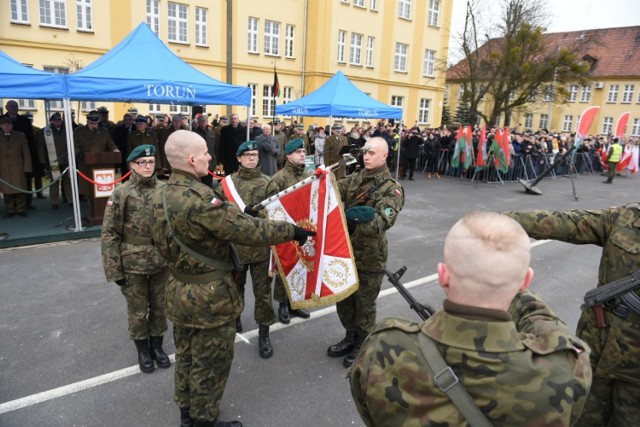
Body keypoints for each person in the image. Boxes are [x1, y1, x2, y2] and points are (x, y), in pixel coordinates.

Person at [349, 211, 592, 426]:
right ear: (526, 282)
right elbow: (549, 328)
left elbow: (369, 411)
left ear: (443, 275)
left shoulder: (382, 348)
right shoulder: (567, 366)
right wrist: (509, 279)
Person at [149, 130, 314, 427]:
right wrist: (294, 231)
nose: (210, 156)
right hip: (209, 296)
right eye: (205, 153)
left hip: (178, 289)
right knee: (210, 361)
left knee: (186, 355)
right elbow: (249, 231)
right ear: (191, 159)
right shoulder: (199, 199)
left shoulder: (159, 193)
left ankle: (187, 414)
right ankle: (204, 419)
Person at [504, 205, 640, 426]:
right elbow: (566, 222)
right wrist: (505, 219)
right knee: (580, 415)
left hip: (636, 367)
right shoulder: (625, 217)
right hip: (596, 342)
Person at [328, 136, 404, 368]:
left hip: (370, 257)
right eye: (365, 152)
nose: (367, 156)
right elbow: (332, 191)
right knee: (344, 299)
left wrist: (353, 223)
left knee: (364, 303)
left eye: (372, 153)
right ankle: (350, 336)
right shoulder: (355, 178)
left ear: (384, 156)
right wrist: (322, 180)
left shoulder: (392, 189)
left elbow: (382, 220)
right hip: (344, 250)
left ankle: (363, 342)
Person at [101, 144, 170, 374]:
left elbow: (173, 228)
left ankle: (157, 346)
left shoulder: (164, 189)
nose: (148, 166)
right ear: (132, 165)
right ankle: (142, 350)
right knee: (138, 310)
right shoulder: (122, 192)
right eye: (143, 163)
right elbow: (110, 233)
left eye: (151, 162)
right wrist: (114, 270)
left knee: (160, 307)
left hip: (161, 261)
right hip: (133, 263)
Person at [214, 141, 279, 358]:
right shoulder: (226, 186)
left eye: (255, 155)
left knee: (263, 295)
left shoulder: (268, 184)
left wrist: (256, 216)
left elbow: (276, 215)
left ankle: (264, 334)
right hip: (235, 251)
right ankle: (235, 321)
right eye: (247, 155)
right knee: (234, 290)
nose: (252, 158)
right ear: (239, 158)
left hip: (261, 249)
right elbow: (216, 215)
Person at [270, 138, 313, 323]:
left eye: (304, 151)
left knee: (301, 266)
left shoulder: (307, 176)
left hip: (303, 228)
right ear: (288, 155)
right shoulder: (278, 179)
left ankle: (295, 303)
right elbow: (271, 207)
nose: (303, 154)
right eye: (298, 152)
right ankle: (283, 305)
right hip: (285, 230)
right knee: (284, 267)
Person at [73, 110, 119, 197]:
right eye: (92, 123)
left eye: (96, 123)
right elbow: (73, 146)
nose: (94, 125)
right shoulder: (79, 132)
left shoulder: (103, 132)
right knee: (89, 190)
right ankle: (90, 207)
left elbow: (111, 144)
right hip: (86, 164)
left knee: (100, 191)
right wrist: (78, 153)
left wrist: (115, 150)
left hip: (101, 165)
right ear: (87, 121)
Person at [38, 112, 71, 209]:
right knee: (54, 183)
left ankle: (71, 200)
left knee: (68, 181)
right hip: (53, 160)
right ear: (51, 121)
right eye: (55, 120)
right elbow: (40, 147)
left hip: (66, 159)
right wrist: (43, 161)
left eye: (59, 119)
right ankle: (54, 202)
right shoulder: (45, 131)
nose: (57, 122)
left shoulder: (68, 129)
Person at [0, 115, 32, 217]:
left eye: (9, 124)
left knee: (20, 189)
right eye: (5, 125)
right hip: (3, 167)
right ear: (1, 126)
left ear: (12, 125)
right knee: (7, 190)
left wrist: (27, 168)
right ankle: (10, 209)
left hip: (18, 166)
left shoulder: (20, 136)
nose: (7, 127)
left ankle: (21, 209)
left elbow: (26, 153)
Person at [192, 114, 218, 187]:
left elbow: (216, 146)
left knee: (209, 181)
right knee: (201, 181)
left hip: (210, 160)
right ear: (198, 123)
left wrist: (216, 159)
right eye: (200, 121)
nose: (203, 123)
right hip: (199, 160)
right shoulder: (194, 133)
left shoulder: (212, 132)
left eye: (204, 121)